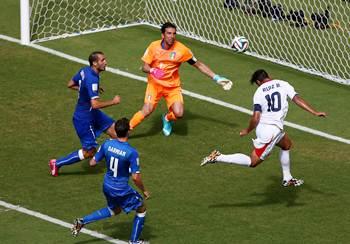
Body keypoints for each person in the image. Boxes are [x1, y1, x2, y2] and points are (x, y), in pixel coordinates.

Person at [201, 69, 326, 187]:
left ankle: (287, 179)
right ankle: (218, 157)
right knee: (252, 162)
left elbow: (256, 117)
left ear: (257, 82)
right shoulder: (282, 83)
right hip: (271, 131)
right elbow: (296, 99)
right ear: (268, 76)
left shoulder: (259, 92)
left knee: (286, 144)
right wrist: (314, 112)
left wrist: (247, 130)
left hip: (266, 128)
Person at [129, 22, 233, 136]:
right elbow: (144, 67)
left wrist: (217, 78)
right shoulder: (153, 46)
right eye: (169, 33)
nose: (172, 36)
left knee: (179, 113)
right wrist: (152, 70)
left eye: (174, 33)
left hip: (172, 87)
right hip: (155, 85)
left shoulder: (182, 50)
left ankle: (167, 118)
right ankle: (125, 132)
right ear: (162, 35)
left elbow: (198, 64)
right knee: (147, 110)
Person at [71, 118, 150, 244]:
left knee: (115, 209)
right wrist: (144, 190)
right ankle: (134, 242)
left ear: (116, 131)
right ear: (128, 131)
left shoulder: (107, 144)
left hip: (107, 185)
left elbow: (92, 163)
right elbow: (135, 177)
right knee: (141, 208)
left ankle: (82, 221)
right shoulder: (131, 152)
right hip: (121, 189)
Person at [49, 51, 121, 176]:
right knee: (89, 152)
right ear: (94, 63)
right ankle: (57, 163)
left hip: (93, 113)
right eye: (102, 60)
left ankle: (120, 165)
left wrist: (88, 90)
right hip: (84, 119)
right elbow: (95, 104)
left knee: (116, 132)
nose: (106, 62)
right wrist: (113, 102)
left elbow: (70, 84)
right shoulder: (92, 79)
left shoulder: (85, 70)